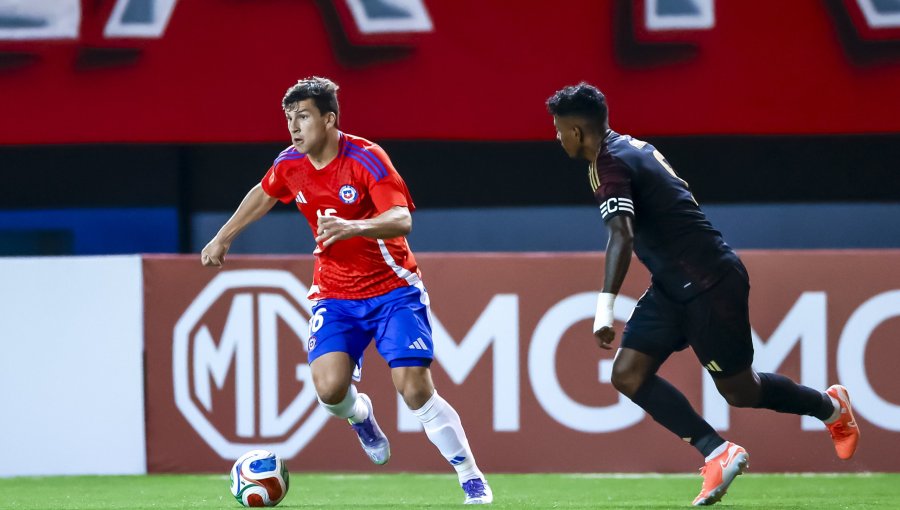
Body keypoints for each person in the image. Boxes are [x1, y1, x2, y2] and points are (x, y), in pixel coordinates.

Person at [546, 83, 860, 506]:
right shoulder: (628, 148)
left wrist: (604, 309)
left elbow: (622, 234)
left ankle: (830, 407)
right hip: (673, 286)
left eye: (558, 129)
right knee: (628, 374)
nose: (557, 138)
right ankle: (717, 452)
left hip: (710, 282)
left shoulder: (610, 163)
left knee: (740, 391)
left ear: (577, 131)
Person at [202, 76, 492, 505]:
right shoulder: (290, 163)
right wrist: (223, 237)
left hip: (394, 289)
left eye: (303, 116)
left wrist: (352, 226)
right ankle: (361, 416)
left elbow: (402, 219)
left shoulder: (367, 159)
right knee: (329, 390)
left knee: (414, 388)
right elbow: (264, 194)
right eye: (289, 118)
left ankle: (470, 476)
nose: (294, 126)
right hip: (335, 294)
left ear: (329, 119)